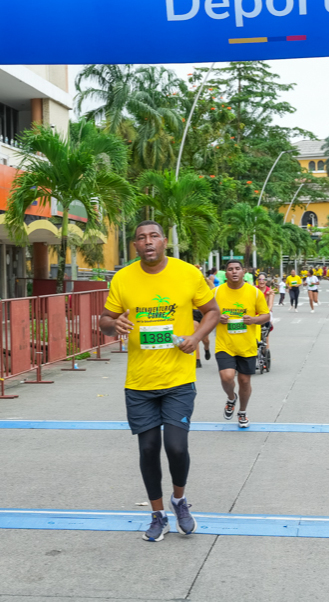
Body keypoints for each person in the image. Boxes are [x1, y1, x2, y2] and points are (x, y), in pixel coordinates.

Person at [99, 221, 219, 542]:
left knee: (176, 447)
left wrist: (196, 337)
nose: (147, 242)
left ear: (164, 242)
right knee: (149, 448)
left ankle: (179, 501)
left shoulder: (188, 274)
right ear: (134, 246)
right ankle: (157, 515)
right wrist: (115, 324)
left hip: (178, 377)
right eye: (141, 238)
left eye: (153, 236)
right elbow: (105, 321)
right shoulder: (123, 278)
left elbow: (212, 311)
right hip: (139, 381)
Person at [214, 260, 271, 429]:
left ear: (243, 272)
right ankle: (231, 398)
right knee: (227, 377)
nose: (234, 272)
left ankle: (242, 412)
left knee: (245, 381)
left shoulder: (254, 293)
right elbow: (206, 312)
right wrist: (217, 318)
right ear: (226, 273)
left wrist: (253, 320)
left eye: (237, 269)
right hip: (225, 344)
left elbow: (266, 315)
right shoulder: (216, 292)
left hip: (247, 346)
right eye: (230, 269)